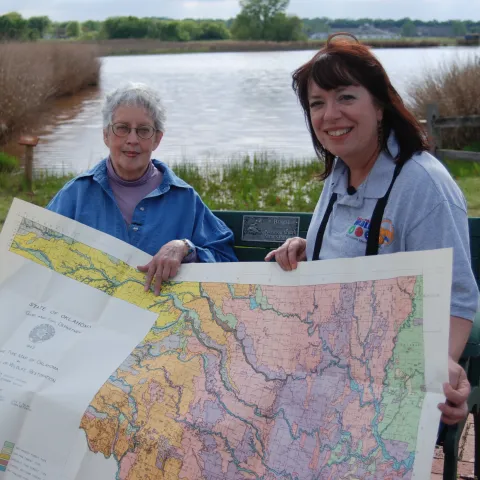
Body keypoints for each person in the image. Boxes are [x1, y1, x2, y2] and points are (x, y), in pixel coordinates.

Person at [265, 33, 479, 426]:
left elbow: (457, 298)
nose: (330, 115)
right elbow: (350, 250)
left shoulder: (423, 187)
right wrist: (306, 248)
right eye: (317, 103)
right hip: (330, 367)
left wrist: (444, 365)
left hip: (387, 384)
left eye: (345, 97)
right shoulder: (338, 173)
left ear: (379, 105)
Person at [47, 82, 237, 295]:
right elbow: (36, 256)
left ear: (157, 139)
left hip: (161, 323)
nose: (132, 139)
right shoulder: (76, 194)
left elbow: (226, 260)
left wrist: (185, 248)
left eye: (144, 130)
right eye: (122, 128)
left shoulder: (184, 199)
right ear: (106, 135)